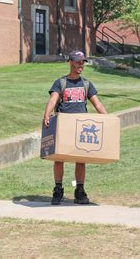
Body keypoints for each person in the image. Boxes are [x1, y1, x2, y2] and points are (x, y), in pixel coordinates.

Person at [43, 50, 107, 205]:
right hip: (64, 126)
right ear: (70, 62)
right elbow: (53, 99)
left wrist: (108, 119)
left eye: (82, 63)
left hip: (81, 126)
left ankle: (80, 191)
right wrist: (47, 114)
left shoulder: (86, 84)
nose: (81, 65)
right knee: (59, 159)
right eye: (78, 62)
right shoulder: (61, 83)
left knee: (81, 159)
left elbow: (97, 103)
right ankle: (58, 189)